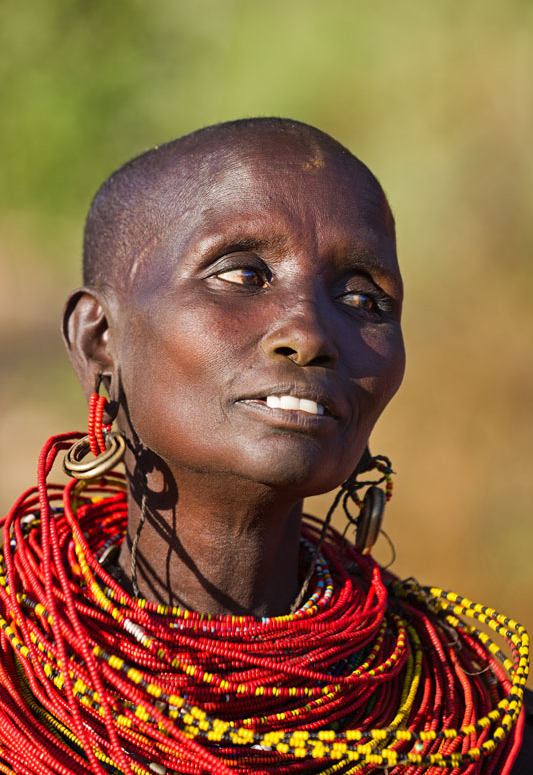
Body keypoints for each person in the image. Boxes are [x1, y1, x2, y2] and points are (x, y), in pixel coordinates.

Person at [0, 118, 530, 774]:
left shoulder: (473, 728)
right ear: (98, 340)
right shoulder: (15, 685)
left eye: (362, 297)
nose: (309, 333)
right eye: (243, 276)